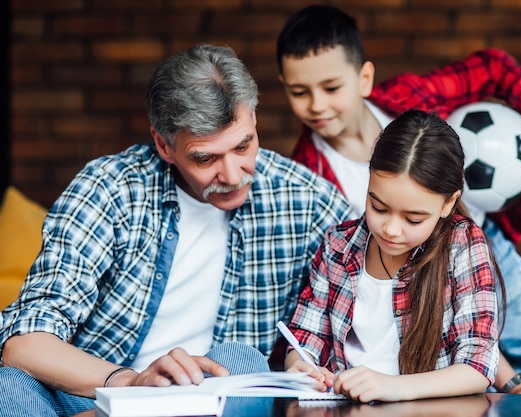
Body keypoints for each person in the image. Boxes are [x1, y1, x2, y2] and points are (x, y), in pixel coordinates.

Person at [276, 4, 521, 399]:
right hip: (397, 269)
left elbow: (497, 68)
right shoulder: (312, 184)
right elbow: (318, 326)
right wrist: (301, 362)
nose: (317, 105)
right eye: (299, 92)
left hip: (471, 245)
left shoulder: (410, 99)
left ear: (364, 78)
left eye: (331, 88)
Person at [0, 43, 354, 416]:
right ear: (163, 145)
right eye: (205, 158)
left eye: (243, 146)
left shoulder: (306, 199)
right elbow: (23, 343)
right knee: (10, 383)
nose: (233, 175)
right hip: (101, 392)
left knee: (242, 357)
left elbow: (386, 273)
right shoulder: (109, 189)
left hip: (214, 399)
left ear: (254, 120)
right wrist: (131, 384)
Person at [285, 109, 503, 402]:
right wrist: (299, 366)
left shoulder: (463, 245)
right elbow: (305, 337)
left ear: (448, 203)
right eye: (379, 207)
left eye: (413, 219)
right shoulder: (338, 244)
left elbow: (478, 365)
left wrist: (392, 387)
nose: (390, 229)